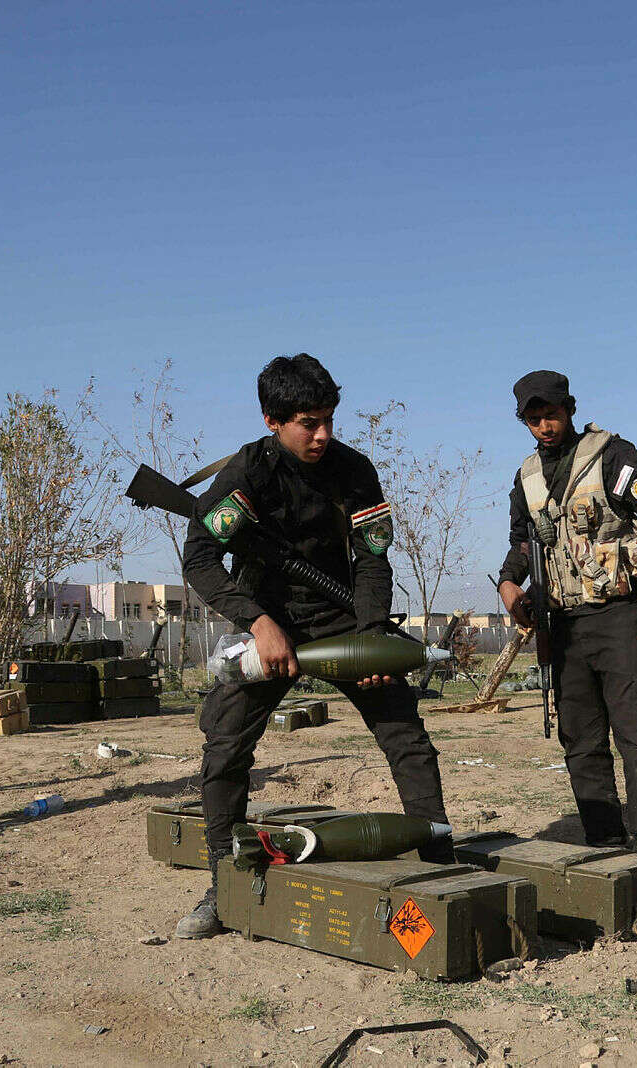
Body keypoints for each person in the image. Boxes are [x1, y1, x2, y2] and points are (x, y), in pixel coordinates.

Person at [174, 354, 452, 939]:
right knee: (225, 749)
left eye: (329, 419)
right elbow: (199, 558)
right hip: (266, 625)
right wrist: (257, 622)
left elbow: (372, 559)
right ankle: (224, 883)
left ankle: (439, 863)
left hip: (341, 621)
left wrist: (372, 635)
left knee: (406, 739)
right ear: (272, 420)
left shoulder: (354, 471)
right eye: (309, 423)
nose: (323, 434)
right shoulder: (248, 473)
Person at [495, 371, 637, 858]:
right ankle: (604, 847)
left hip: (621, 619)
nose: (545, 427)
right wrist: (509, 582)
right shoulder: (526, 477)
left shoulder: (612, 456)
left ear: (570, 410)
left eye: (552, 415)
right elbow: (523, 542)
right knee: (581, 743)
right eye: (534, 420)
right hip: (563, 628)